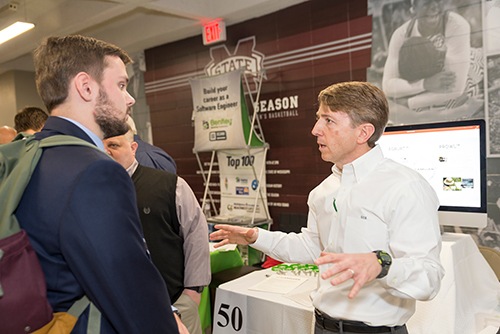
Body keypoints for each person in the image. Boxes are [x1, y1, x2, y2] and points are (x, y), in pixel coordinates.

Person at [210, 81, 444, 333]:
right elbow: (312, 248)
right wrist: (256, 237)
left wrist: (382, 265)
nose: (315, 130)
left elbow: (429, 277)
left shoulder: (405, 187)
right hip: (322, 326)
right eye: (318, 119)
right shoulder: (323, 191)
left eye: (328, 121)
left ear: (363, 133)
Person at [15, 35, 183, 334]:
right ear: (86, 87)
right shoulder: (96, 171)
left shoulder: (26, 156)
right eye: (120, 84)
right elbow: (128, 286)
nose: (129, 98)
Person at [104, 127, 210, 334]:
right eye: (100, 145)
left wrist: (191, 294)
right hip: (120, 311)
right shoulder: (92, 190)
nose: (106, 151)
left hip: (176, 304)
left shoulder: (171, 186)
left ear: (133, 148)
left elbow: (196, 237)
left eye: (114, 145)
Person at [382, 0, 472, 121]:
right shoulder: (400, 35)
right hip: (430, 89)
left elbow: (456, 89)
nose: (434, 6)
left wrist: (408, 103)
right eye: (427, 3)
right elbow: (388, 87)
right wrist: (425, 84)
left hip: (465, 79)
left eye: (437, 1)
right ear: (413, 9)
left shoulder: (457, 25)